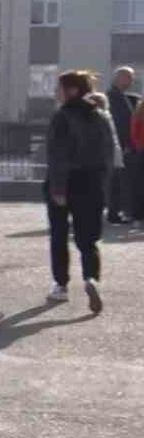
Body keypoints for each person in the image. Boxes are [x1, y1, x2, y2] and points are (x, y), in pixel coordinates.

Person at [45, 71, 114, 313]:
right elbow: (109, 154)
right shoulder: (101, 116)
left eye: (60, 88)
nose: (57, 92)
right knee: (88, 238)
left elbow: (58, 155)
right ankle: (91, 278)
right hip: (93, 181)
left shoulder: (62, 116)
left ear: (72, 90)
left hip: (67, 181)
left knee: (59, 234)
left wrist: (58, 188)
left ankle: (61, 284)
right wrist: (104, 184)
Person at [105, 66, 138, 223]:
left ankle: (116, 211)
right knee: (117, 181)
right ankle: (114, 212)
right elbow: (120, 123)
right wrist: (124, 144)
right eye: (129, 77)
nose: (132, 81)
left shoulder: (122, 97)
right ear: (119, 78)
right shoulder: (113, 98)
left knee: (119, 181)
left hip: (122, 145)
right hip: (119, 145)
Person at [88, 92, 125, 201]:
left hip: (106, 158)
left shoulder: (99, 118)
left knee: (105, 187)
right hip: (114, 157)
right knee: (112, 188)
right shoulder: (107, 116)